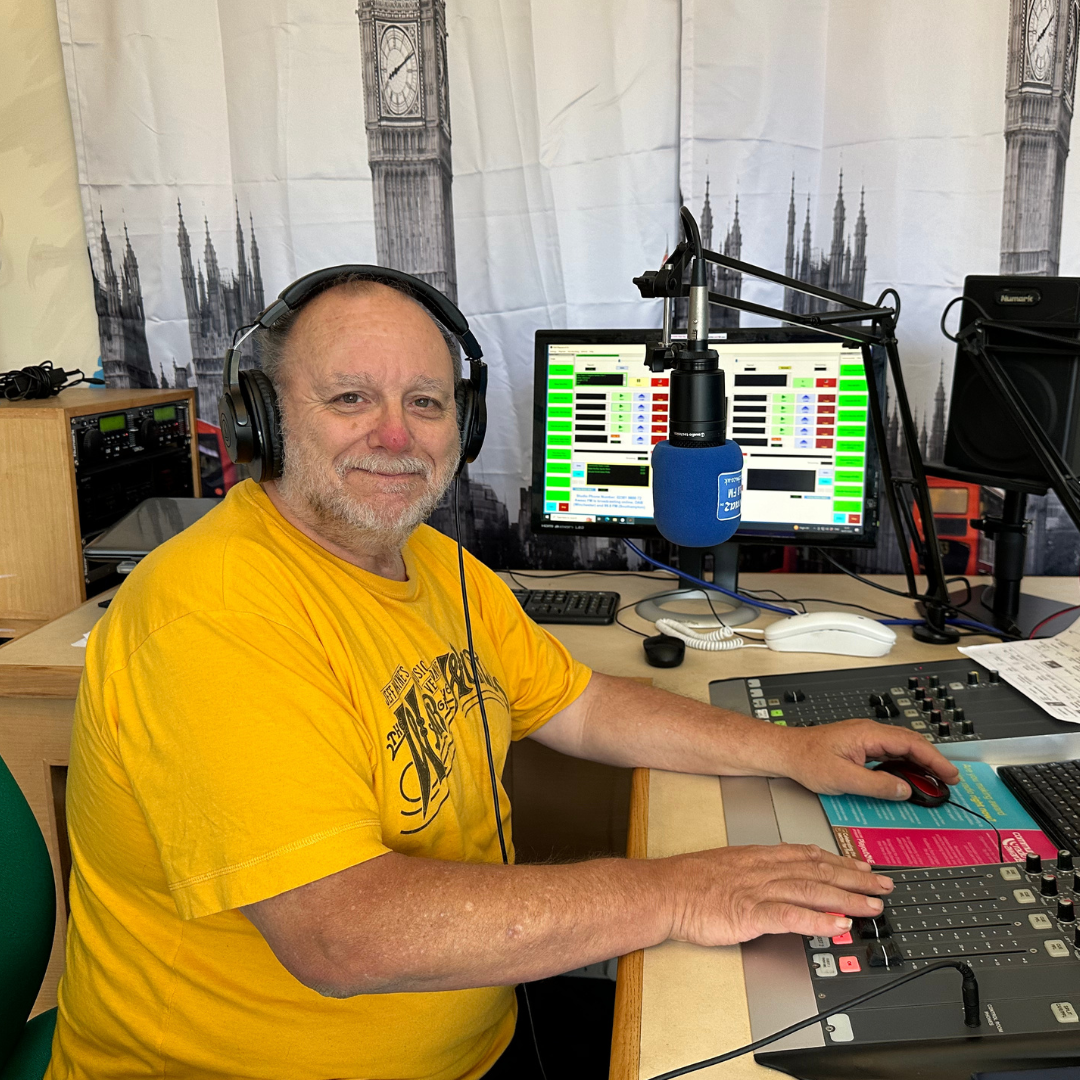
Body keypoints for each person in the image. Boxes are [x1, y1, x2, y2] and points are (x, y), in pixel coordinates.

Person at [46, 276, 960, 1080]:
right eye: (350, 397)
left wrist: (790, 749)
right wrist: (682, 891)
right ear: (265, 420)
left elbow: (580, 703)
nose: (394, 434)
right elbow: (341, 935)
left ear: (467, 424)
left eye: (426, 402)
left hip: (479, 1029)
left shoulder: (431, 564)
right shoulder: (213, 615)